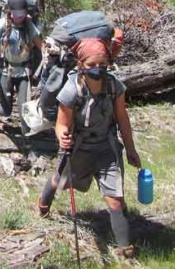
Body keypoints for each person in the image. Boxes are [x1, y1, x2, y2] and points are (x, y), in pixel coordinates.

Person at [36, 37, 140, 259]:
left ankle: (125, 248)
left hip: (106, 148)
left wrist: (131, 150)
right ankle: (44, 204)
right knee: (59, 180)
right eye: (92, 65)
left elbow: (122, 118)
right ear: (81, 64)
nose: (98, 69)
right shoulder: (72, 89)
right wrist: (62, 137)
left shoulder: (114, 86)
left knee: (115, 199)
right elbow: (62, 124)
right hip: (78, 148)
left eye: (102, 64)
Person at [0, 0, 43, 133]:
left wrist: (49, 51)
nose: (19, 17)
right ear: (10, 12)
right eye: (16, 14)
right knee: (6, 110)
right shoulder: (2, 24)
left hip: (24, 72)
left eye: (22, 14)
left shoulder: (29, 25)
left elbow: (41, 45)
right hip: (5, 71)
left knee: (24, 109)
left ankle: (27, 144)